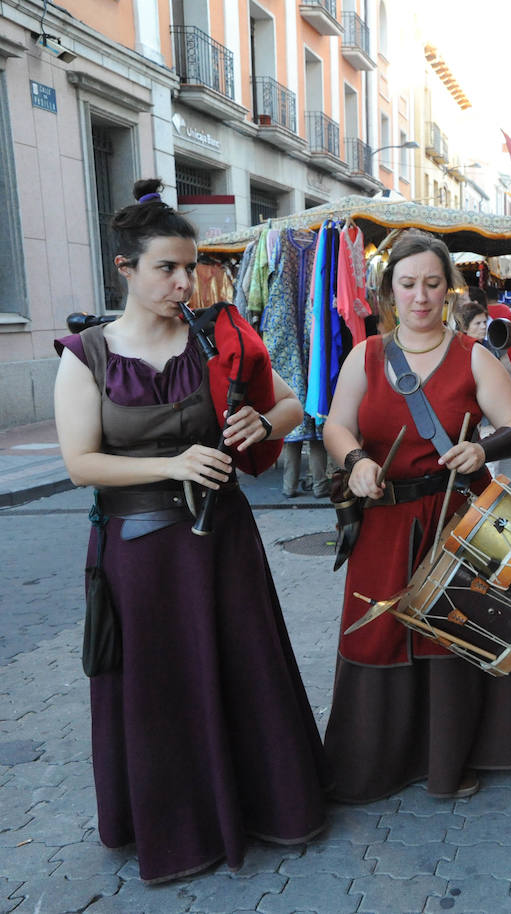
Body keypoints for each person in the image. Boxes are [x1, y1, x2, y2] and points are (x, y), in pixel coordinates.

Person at [52, 179, 328, 882]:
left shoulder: (220, 334)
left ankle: (269, 808)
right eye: (166, 268)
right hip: (139, 552)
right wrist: (171, 461)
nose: (184, 281)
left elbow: (294, 404)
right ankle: (179, 832)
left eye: (190, 266)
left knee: (243, 672)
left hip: (223, 543)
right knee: (160, 691)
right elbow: (80, 463)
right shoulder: (86, 355)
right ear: (126, 269)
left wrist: (265, 423)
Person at [322, 229, 511, 803]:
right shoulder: (365, 354)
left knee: (453, 637)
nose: (420, 296)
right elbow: (336, 425)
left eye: (432, 284)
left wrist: (482, 450)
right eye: (408, 284)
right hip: (385, 523)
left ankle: (453, 758)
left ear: (449, 289)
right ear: (389, 290)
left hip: (456, 518)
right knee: (378, 635)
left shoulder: (476, 357)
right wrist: (356, 460)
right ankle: (379, 762)